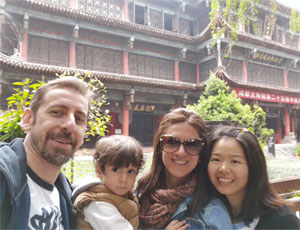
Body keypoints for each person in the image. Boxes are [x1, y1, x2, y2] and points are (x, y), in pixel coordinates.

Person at [0, 76, 92, 229]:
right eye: (56, 112)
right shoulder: (4, 177)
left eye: (79, 119)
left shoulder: (66, 194)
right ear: (28, 120)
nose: (70, 125)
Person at [136, 108, 232, 230]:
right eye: (172, 142)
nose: (181, 152)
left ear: (201, 151)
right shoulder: (139, 193)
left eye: (191, 144)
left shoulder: (211, 211)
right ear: (160, 147)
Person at [206, 126, 300, 229]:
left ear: (254, 167)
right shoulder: (204, 215)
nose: (223, 168)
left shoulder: (282, 221)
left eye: (235, 161)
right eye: (216, 159)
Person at [73, 135, 144, 230]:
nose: (124, 179)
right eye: (115, 170)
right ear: (99, 171)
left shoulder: (121, 196)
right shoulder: (96, 203)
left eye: (130, 171)